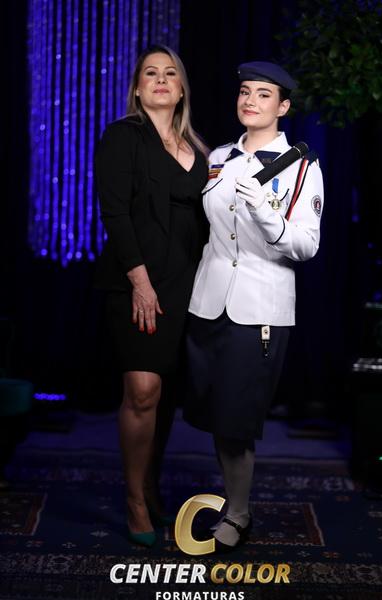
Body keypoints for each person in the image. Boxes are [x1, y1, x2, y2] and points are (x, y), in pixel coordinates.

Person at [184, 61, 324, 551]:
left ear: (283, 107)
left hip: (259, 309)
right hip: (208, 302)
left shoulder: (302, 167)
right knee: (215, 415)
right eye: (245, 91)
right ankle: (235, 503)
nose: (250, 101)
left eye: (263, 94)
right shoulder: (219, 157)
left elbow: (306, 246)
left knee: (237, 419)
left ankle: (238, 513)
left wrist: (265, 211)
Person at [95, 45, 208, 547]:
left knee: (165, 396)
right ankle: (134, 499)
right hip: (135, 281)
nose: (161, 80)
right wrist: (140, 281)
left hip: (188, 285)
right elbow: (115, 213)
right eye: (150, 73)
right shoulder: (123, 136)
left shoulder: (200, 151)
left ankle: (152, 486)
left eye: (170, 74)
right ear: (138, 89)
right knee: (142, 391)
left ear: (180, 89)